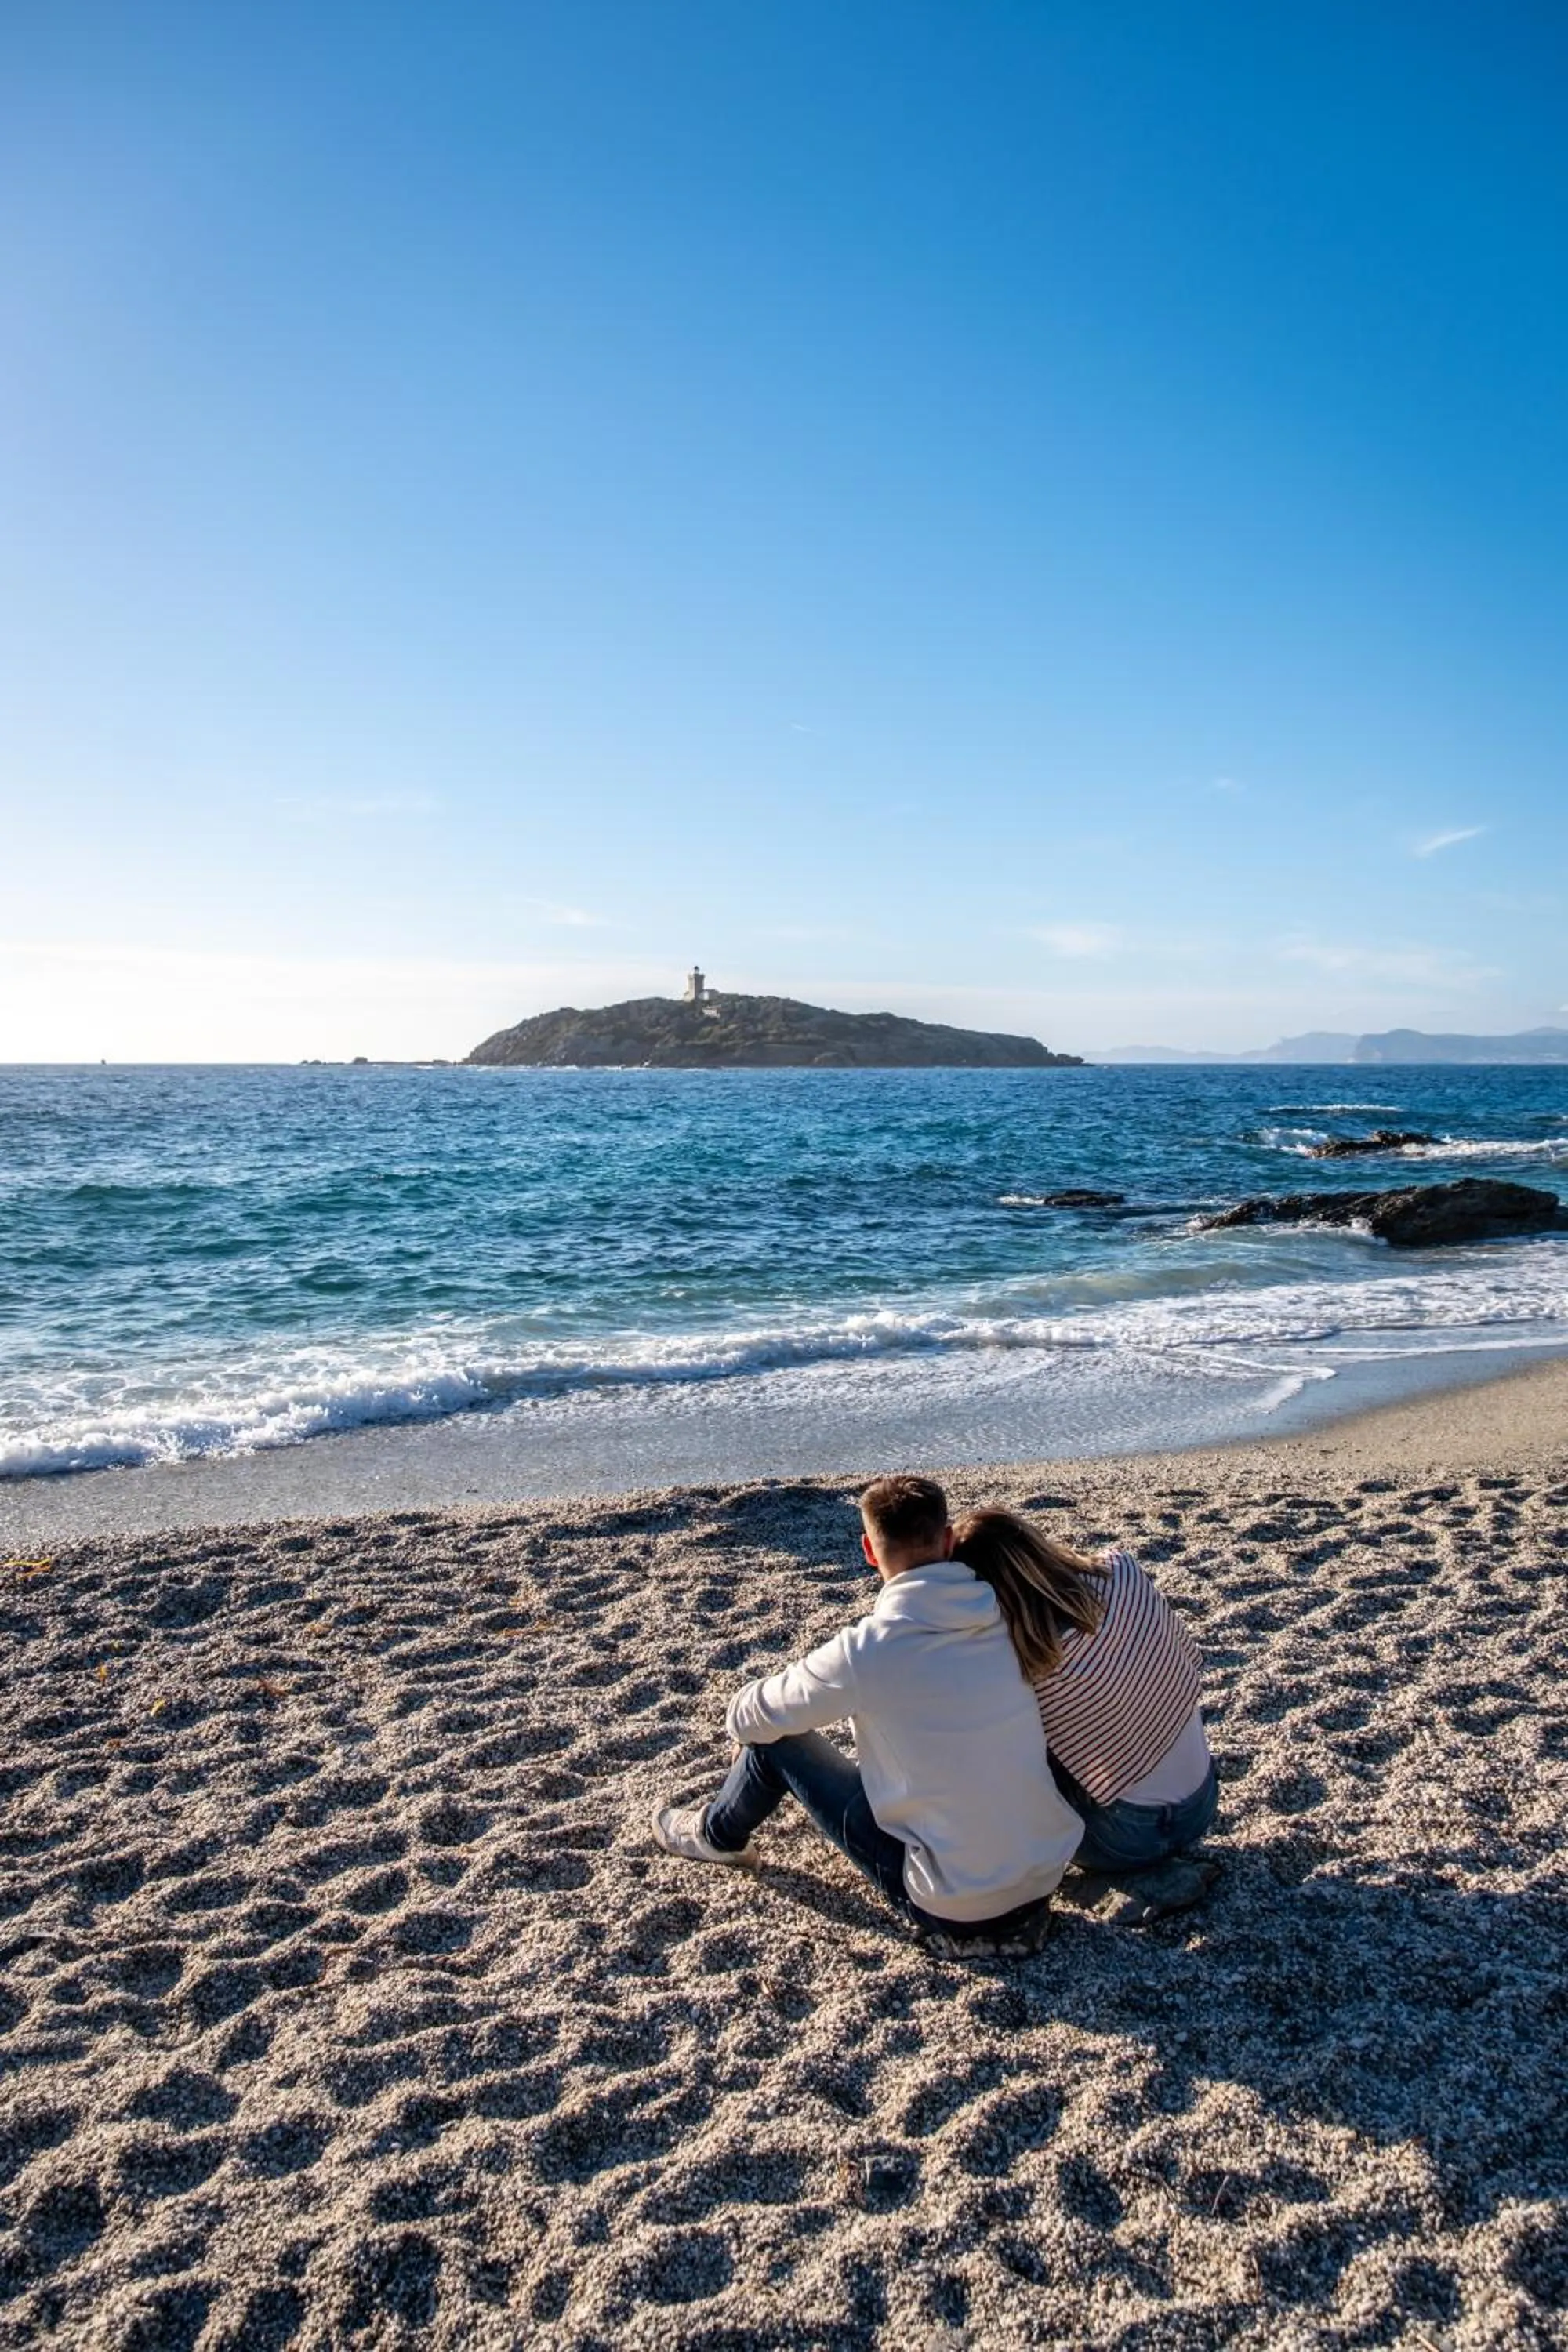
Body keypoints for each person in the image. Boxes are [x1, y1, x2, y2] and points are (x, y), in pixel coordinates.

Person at [652, 1474, 1083, 1946]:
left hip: (957, 1903)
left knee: (774, 1743)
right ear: (946, 1540)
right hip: (1044, 1874)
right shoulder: (1004, 1615)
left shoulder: (869, 1650)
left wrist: (751, 1721)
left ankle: (715, 1836)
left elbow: (749, 1716)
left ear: (869, 1551)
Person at [950, 1508, 1218, 1876]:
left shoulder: (1027, 1662)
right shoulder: (1121, 1570)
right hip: (1204, 1801)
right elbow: (1189, 1661)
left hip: (1125, 1840)